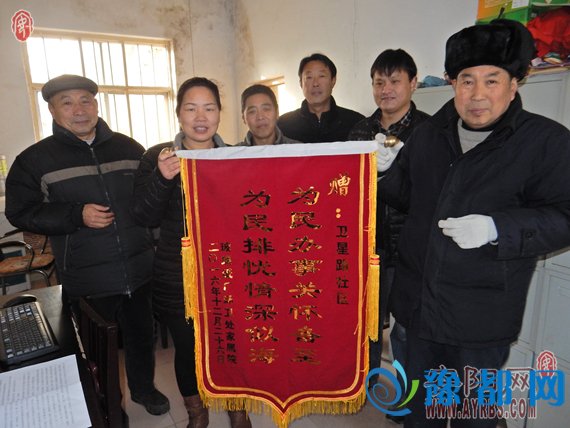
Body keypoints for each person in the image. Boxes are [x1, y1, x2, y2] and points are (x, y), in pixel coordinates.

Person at [377, 19, 570, 427]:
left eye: (491, 80)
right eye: (467, 80)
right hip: (418, 311)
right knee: (419, 414)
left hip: (481, 321)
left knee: (474, 417)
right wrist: (385, 172)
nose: (477, 95)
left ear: (514, 84)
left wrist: (498, 228)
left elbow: (564, 215)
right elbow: (408, 198)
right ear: (452, 83)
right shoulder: (429, 134)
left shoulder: (545, 142)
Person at [5, 74, 170, 416]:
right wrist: (75, 215)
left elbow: (148, 201)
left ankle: (144, 390)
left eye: (85, 101)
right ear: (52, 110)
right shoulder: (35, 159)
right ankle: (110, 404)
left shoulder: (129, 148)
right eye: (67, 103)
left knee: (142, 338)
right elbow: (20, 212)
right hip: (87, 277)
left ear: (96, 105)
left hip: (138, 269)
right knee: (98, 349)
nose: (79, 110)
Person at [130, 77, 251, 428]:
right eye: (191, 108)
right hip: (176, 276)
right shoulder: (158, 157)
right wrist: (162, 179)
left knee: (231, 347)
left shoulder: (236, 157)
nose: (201, 117)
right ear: (178, 113)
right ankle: (198, 414)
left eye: (209, 108)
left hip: (228, 273)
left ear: (219, 113)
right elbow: (143, 215)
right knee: (187, 350)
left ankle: (237, 411)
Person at [348, 50, 430, 398]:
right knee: (366, 324)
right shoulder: (359, 131)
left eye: (395, 81)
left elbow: (428, 195)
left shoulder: (429, 131)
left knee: (406, 328)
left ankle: (408, 397)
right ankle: (364, 385)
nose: (386, 89)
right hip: (366, 247)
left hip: (409, 247)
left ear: (413, 83)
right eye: (379, 82)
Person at [277, 53, 364, 143]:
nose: (315, 83)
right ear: (300, 83)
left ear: (333, 81)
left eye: (321, 76)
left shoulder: (356, 123)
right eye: (309, 77)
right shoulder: (283, 125)